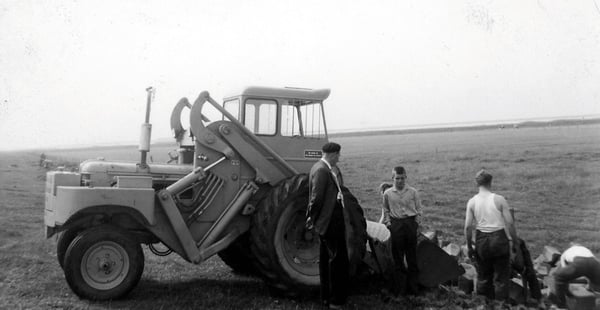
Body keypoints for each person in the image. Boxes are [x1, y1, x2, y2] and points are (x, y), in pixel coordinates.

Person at [306, 142, 348, 309]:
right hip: (330, 222)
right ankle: (335, 301)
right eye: (338, 154)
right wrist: (311, 217)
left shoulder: (319, 167)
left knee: (327, 259)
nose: (339, 157)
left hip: (328, 221)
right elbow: (316, 198)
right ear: (332, 154)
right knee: (336, 261)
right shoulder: (322, 171)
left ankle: (326, 298)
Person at [464, 169, 518, 302]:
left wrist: (470, 246)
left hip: (482, 240)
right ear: (490, 182)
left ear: (477, 184)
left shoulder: (472, 202)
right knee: (501, 278)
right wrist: (515, 243)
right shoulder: (499, 199)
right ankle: (501, 305)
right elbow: (510, 224)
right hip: (499, 239)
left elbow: (467, 227)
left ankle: (484, 304)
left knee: (483, 276)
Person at [382, 166, 422, 296]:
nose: (400, 181)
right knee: (398, 258)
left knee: (412, 258)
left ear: (406, 177)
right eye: (397, 178)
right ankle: (400, 289)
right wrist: (389, 223)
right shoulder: (387, 193)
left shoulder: (413, 192)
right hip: (396, 225)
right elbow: (386, 210)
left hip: (410, 224)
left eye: (402, 178)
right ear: (392, 179)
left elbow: (419, 210)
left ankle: (413, 289)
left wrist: (416, 224)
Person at [548, 244, 600, 308]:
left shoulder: (565, 253)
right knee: (598, 285)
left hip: (579, 263)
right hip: (595, 263)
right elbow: (589, 271)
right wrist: (589, 286)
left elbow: (565, 277)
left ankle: (561, 305)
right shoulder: (585, 249)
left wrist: (567, 292)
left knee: (559, 278)